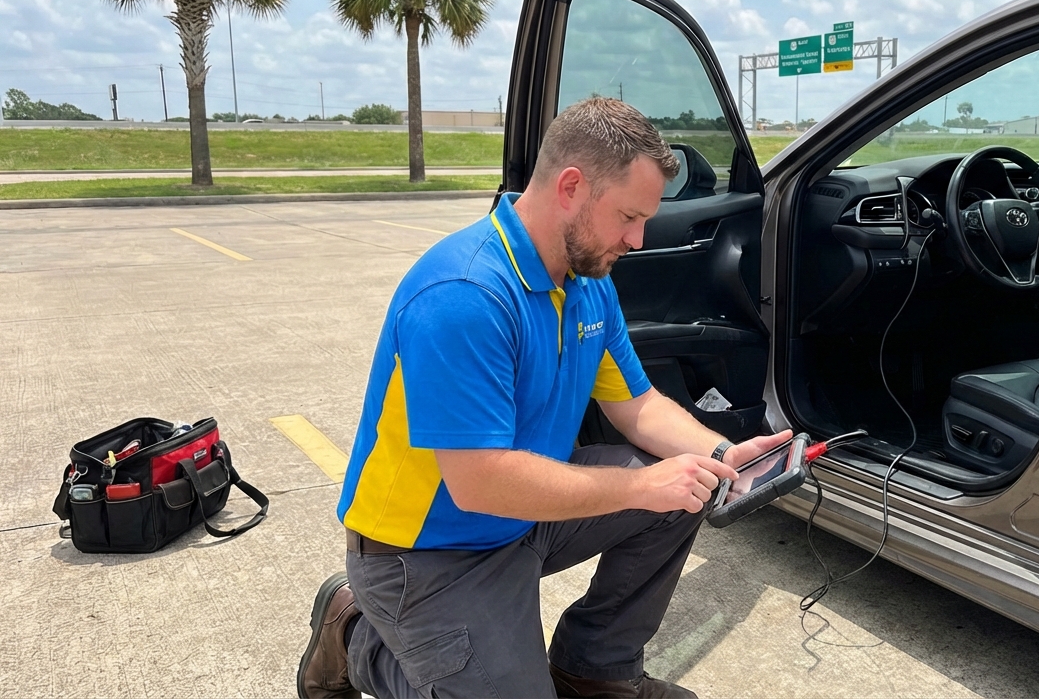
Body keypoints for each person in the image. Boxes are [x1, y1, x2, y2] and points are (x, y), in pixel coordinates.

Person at [295, 97, 791, 699]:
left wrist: (720, 454)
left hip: (526, 514)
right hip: (427, 552)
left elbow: (637, 405)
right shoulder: (465, 293)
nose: (638, 239)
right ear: (572, 187)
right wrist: (640, 486)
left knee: (683, 487)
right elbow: (478, 483)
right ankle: (353, 635)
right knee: (653, 484)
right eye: (629, 217)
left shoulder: (587, 281)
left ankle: (594, 668)